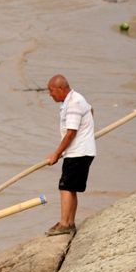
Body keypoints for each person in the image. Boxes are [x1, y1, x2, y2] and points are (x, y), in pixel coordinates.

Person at [45, 74, 96, 236]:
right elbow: (91, 110)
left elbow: (71, 133)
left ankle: (65, 223)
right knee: (70, 188)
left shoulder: (74, 103)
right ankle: (70, 222)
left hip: (78, 152)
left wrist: (56, 153)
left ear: (61, 89)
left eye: (51, 91)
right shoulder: (77, 99)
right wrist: (87, 129)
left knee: (65, 187)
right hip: (81, 151)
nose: (50, 94)